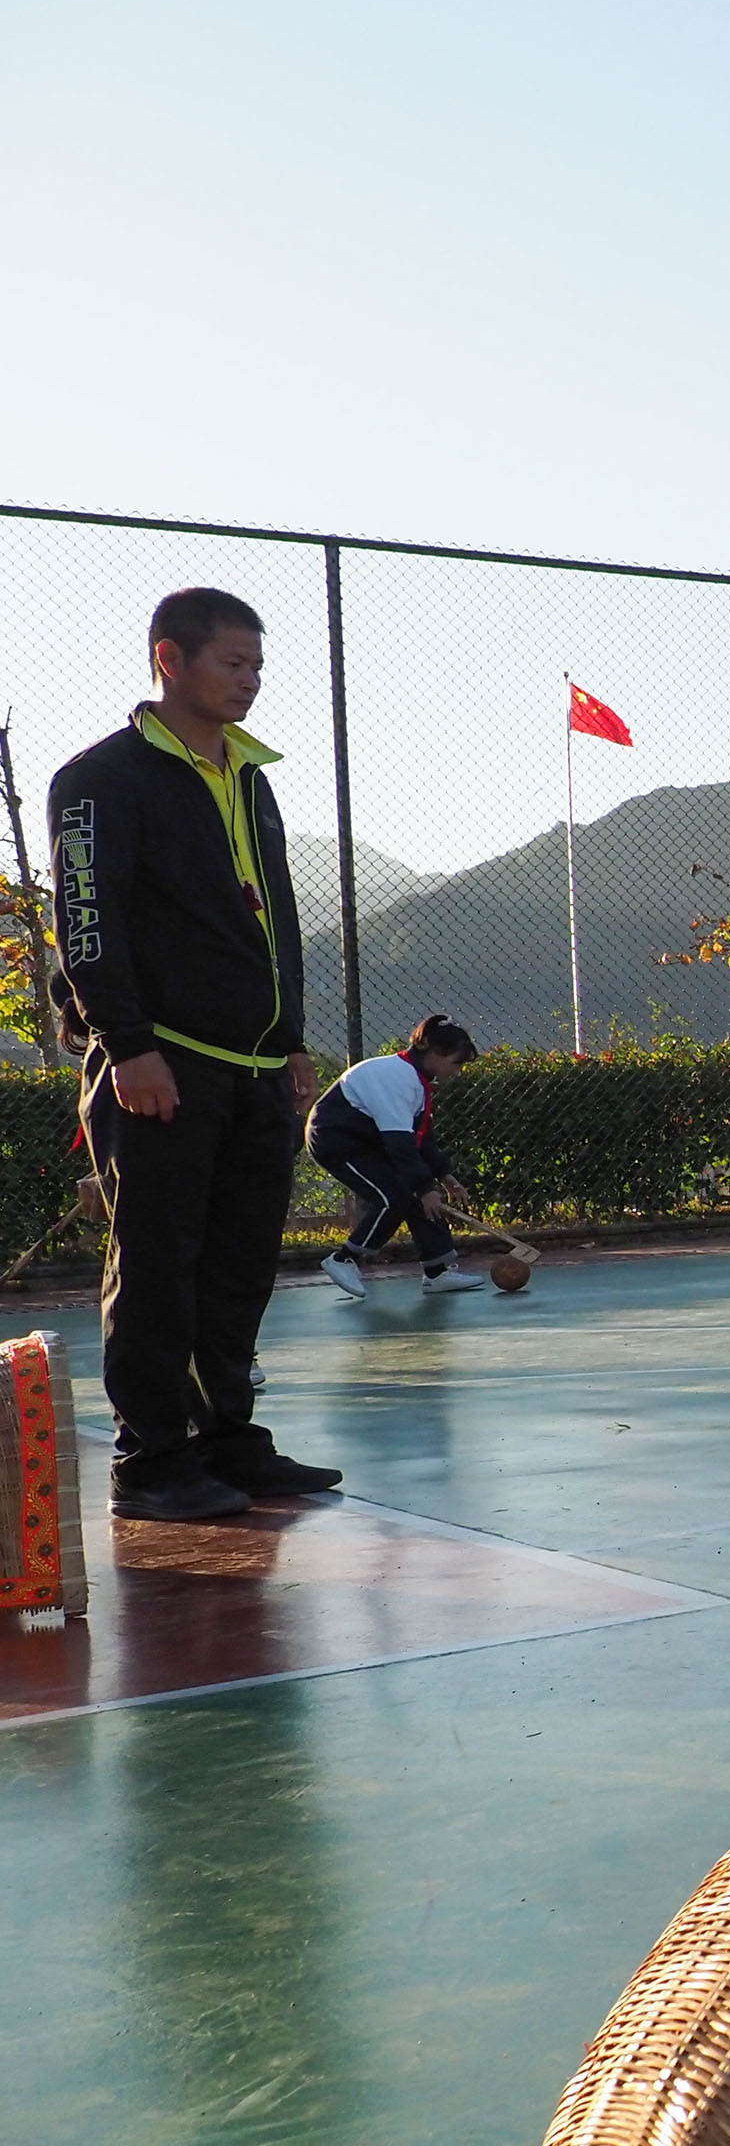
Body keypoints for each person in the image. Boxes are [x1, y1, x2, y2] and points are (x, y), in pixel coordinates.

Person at [48, 588, 341, 1521]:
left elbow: (279, 917)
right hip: (160, 1063)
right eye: (233, 664)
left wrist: (290, 1039)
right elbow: (86, 922)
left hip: (255, 1071)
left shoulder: (251, 778)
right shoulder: (101, 778)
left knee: (240, 1263)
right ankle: (152, 1461)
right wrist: (126, 1045)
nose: (250, 682)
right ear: (170, 660)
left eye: (258, 666)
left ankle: (227, 1438)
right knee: (157, 1261)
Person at [310, 1014, 490, 1297]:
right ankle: (343, 1259)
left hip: (370, 1141)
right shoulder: (397, 1077)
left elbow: (421, 1138)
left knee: (419, 1198)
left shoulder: (416, 1080)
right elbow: (399, 1144)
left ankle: (437, 1272)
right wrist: (424, 1186)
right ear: (433, 1053)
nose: (457, 1071)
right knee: (393, 1198)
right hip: (336, 1141)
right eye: (455, 1063)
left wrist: (444, 1175)